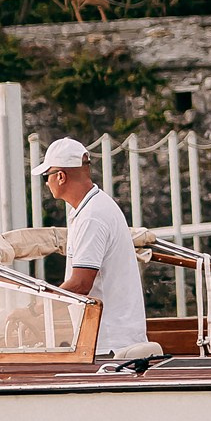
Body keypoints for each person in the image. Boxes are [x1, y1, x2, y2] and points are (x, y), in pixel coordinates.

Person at [40, 136, 148, 356]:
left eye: (46, 176)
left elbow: (81, 284)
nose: (45, 182)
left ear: (60, 176)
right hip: (113, 340)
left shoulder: (91, 216)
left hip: (109, 346)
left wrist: (37, 309)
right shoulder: (93, 207)